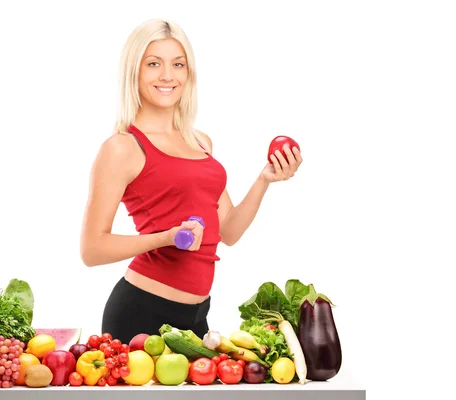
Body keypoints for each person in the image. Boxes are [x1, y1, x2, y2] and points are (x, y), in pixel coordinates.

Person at [80, 19, 302, 345]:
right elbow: (92, 249)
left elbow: (229, 231)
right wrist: (167, 238)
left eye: (178, 64)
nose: (168, 75)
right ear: (135, 72)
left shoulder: (200, 142)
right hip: (140, 313)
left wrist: (264, 180)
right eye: (154, 63)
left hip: (197, 317)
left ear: (189, 73)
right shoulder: (122, 148)